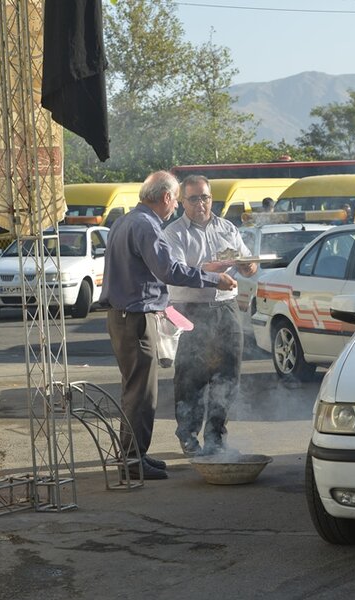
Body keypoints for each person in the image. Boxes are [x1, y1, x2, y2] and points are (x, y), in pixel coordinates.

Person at [100, 171, 237, 480]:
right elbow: (169, 271)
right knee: (142, 394)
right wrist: (213, 278)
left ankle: (135, 454)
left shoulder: (124, 221)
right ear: (165, 197)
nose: (175, 206)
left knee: (135, 390)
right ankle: (133, 462)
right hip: (135, 318)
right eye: (176, 200)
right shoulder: (146, 225)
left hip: (124, 316)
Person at [162, 175, 258, 458]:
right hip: (190, 310)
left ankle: (216, 437)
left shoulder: (227, 227)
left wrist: (249, 267)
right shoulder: (174, 233)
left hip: (226, 308)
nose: (200, 203)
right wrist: (215, 273)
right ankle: (188, 436)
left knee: (228, 374)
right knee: (190, 376)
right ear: (182, 202)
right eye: (193, 198)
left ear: (211, 198)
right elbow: (178, 272)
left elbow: (246, 260)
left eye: (204, 197)